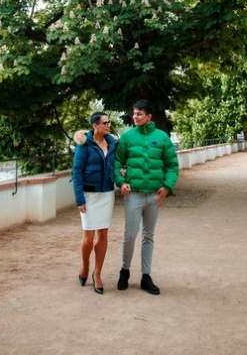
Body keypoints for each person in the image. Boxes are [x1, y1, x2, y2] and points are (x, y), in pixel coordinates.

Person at [114, 99, 179, 295]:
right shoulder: (126, 137)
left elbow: (172, 165)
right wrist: (120, 181)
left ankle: (146, 276)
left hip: (153, 196)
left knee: (148, 236)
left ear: (149, 117)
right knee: (130, 235)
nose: (135, 116)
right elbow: (117, 162)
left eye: (139, 114)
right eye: (134, 113)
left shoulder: (162, 137)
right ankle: (124, 271)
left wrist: (167, 186)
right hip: (133, 195)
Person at [72, 111, 118, 295]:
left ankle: (97, 273)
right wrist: (79, 199)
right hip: (89, 195)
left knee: (103, 234)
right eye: (105, 123)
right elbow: (76, 172)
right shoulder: (84, 145)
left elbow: (115, 165)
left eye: (109, 123)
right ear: (94, 126)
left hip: (107, 194)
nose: (108, 126)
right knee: (88, 237)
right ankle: (85, 266)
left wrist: (120, 173)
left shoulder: (113, 143)